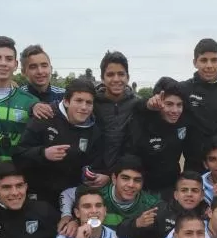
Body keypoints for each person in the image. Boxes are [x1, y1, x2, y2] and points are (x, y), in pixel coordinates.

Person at [149, 38, 217, 172]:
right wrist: (154, 98)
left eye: (214, 60)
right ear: (195, 62)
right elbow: (163, 87)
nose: (209, 65)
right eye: (203, 60)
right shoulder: (185, 89)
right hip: (195, 167)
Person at [13, 78, 108, 207]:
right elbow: (18, 155)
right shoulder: (45, 116)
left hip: (72, 198)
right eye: (79, 101)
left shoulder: (94, 130)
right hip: (39, 197)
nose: (84, 107)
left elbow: (97, 163)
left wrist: (100, 175)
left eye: (89, 103)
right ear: (67, 101)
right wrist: (44, 153)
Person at [58, 155, 161, 238]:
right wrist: (67, 216)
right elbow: (67, 194)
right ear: (114, 179)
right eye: (125, 178)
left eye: (137, 180)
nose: (131, 185)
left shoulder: (150, 205)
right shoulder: (98, 191)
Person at [127, 77, 194, 197]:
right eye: (169, 104)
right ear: (157, 102)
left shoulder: (185, 120)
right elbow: (136, 106)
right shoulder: (142, 121)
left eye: (179, 105)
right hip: (142, 190)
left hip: (171, 188)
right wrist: (147, 104)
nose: (175, 110)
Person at [125, 171, 207, 238]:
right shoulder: (160, 211)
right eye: (184, 190)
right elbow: (121, 231)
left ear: (202, 195)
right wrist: (136, 224)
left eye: (194, 190)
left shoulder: (208, 215)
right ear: (176, 195)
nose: (189, 194)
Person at [93, 51, 146, 172]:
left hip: (126, 175)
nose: (116, 79)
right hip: (96, 173)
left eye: (121, 74)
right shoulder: (91, 103)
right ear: (102, 78)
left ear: (128, 77)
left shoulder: (138, 104)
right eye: (110, 74)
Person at [18, 44, 65, 115]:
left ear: (51, 69)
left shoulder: (63, 95)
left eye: (44, 66)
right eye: (33, 67)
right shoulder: (18, 97)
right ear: (23, 72)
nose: (40, 71)